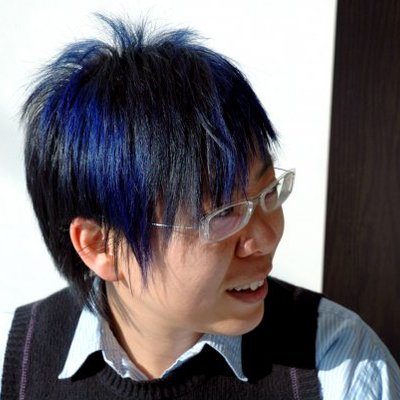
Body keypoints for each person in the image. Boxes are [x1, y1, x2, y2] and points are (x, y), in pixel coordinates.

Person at [1, 15, 399, 400]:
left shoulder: (339, 362)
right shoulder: (13, 364)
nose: (264, 238)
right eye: (223, 214)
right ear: (102, 246)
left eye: (268, 193)